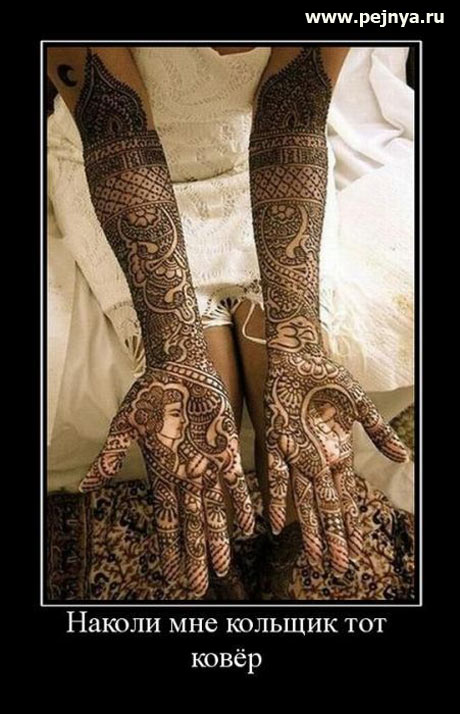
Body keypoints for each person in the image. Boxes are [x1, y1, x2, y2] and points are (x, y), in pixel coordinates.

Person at [47, 45, 415, 600]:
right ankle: (219, 576)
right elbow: (115, 129)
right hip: (121, 167)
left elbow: (292, 117)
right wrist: (176, 351)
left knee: (292, 403)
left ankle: (282, 549)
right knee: (197, 409)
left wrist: (297, 342)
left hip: (259, 159)